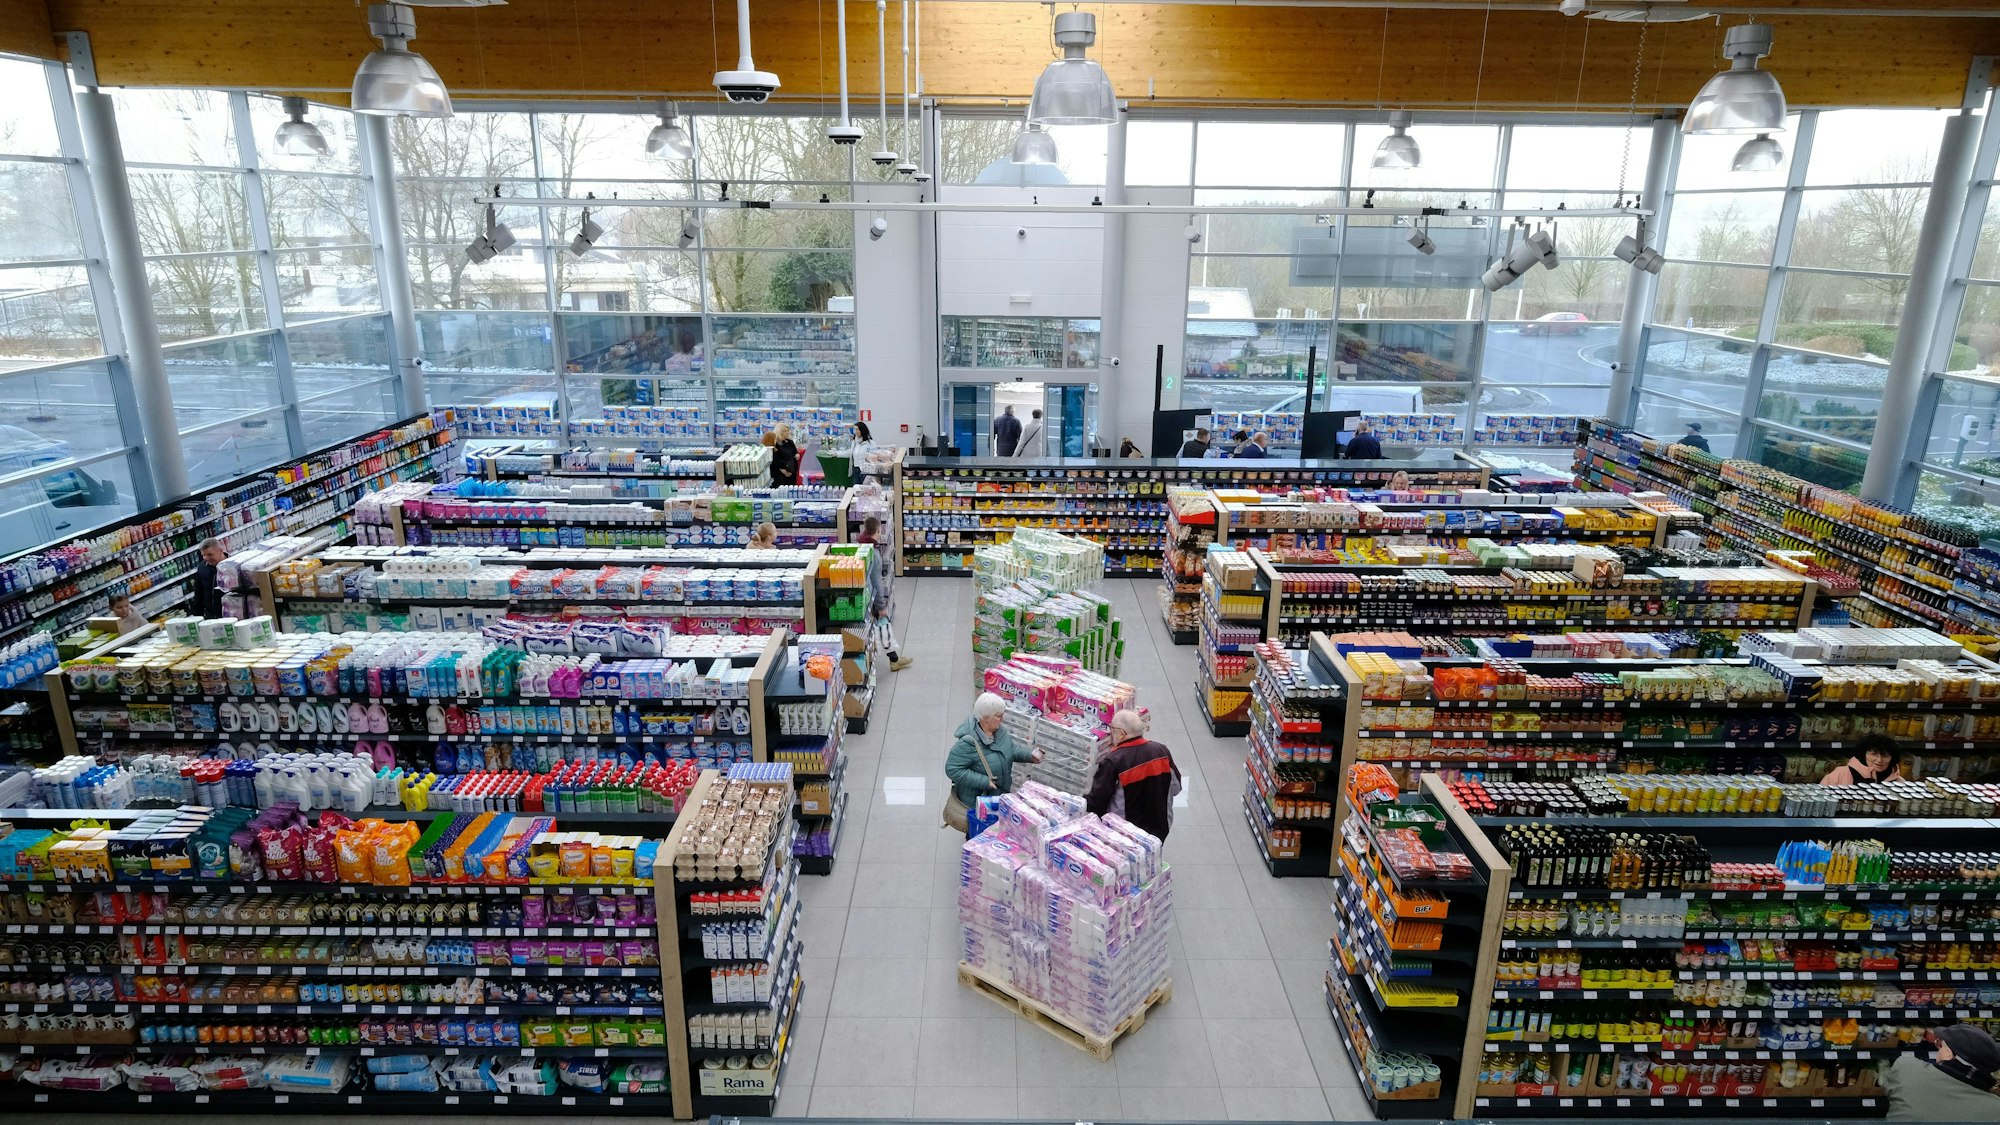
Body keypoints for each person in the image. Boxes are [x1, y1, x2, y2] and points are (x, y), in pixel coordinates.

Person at [944, 692, 1043, 832]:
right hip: (976, 803)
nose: (1002, 719)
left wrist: (1029, 755)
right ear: (985, 718)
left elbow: (1009, 749)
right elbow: (953, 769)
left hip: (997, 797)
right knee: (978, 833)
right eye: (998, 716)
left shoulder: (999, 732)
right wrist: (983, 781)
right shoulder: (968, 742)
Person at [1085, 710, 1183, 841]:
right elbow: (1176, 788)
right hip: (1159, 830)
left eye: (1112, 728)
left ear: (1121, 733)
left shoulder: (1113, 762)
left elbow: (1096, 804)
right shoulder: (1161, 751)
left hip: (1125, 835)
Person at [1885, 1024, 2000, 1122]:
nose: (1937, 1047)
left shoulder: (1905, 1068)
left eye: (1940, 1045)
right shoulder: (1995, 1109)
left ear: (1948, 1054)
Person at [1821, 734, 1905, 786]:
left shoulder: (1899, 782)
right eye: (1873, 754)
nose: (1879, 760)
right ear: (1863, 754)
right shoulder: (1841, 774)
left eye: (1885, 756)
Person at [192, 538, 226, 619]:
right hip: (210, 616)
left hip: (229, 615)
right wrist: (197, 616)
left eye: (210, 554)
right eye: (203, 555)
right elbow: (198, 593)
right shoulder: (202, 567)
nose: (206, 558)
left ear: (220, 551)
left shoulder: (232, 567)